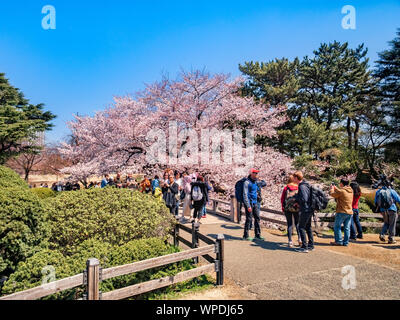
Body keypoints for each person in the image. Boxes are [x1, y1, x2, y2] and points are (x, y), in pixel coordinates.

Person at [293, 171, 314, 253]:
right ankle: (311, 245)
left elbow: (304, 199)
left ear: (296, 178)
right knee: (308, 227)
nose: (293, 179)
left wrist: (297, 200)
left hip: (305, 209)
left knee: (301, 227)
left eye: (294, 177)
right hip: (309, 209)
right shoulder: (306, 185)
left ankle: (304, 247)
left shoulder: (302, 186)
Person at [330, 179, 354, 247]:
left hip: (341, 212)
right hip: (349, 212)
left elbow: (332, 194)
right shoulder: (351, 191)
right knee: (347, 228)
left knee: (337, 227)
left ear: (342, 183)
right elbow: (341, 191)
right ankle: (346, 242)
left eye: (340, 183)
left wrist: (332, 189)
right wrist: (335, 187)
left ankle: (338, 241)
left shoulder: (342, 191)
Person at [375, 179, 400, 244]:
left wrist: (380, 209)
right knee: (392, 223)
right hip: (392, 209)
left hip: (383, 210)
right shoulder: (392, 191)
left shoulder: (378, 191)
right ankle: (391, 238)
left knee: (386, 222)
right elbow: (399, 200)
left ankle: (382, 234)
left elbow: (376, 202)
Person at [242, 168, 263, 241]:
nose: (256, 174)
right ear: (251, 173)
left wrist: (261, 180)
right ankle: (246, 235)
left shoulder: (256, 182)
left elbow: (264, 184)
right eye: (255, 173)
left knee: (257, 218)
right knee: (249, 219)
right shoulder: (247, 182)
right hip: (249, 203)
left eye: (257, 173)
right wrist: (248, 205)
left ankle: (257, 234)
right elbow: (245, 194)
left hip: (255, 202)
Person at [281, 175, 301, 248]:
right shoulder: (298, 187)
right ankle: (300, 239)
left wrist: (283, 207)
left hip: (287, 208)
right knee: (297, 223)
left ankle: (290, 241)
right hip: (296, 208)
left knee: (289, 224)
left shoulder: (286, 188)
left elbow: (282, 199)